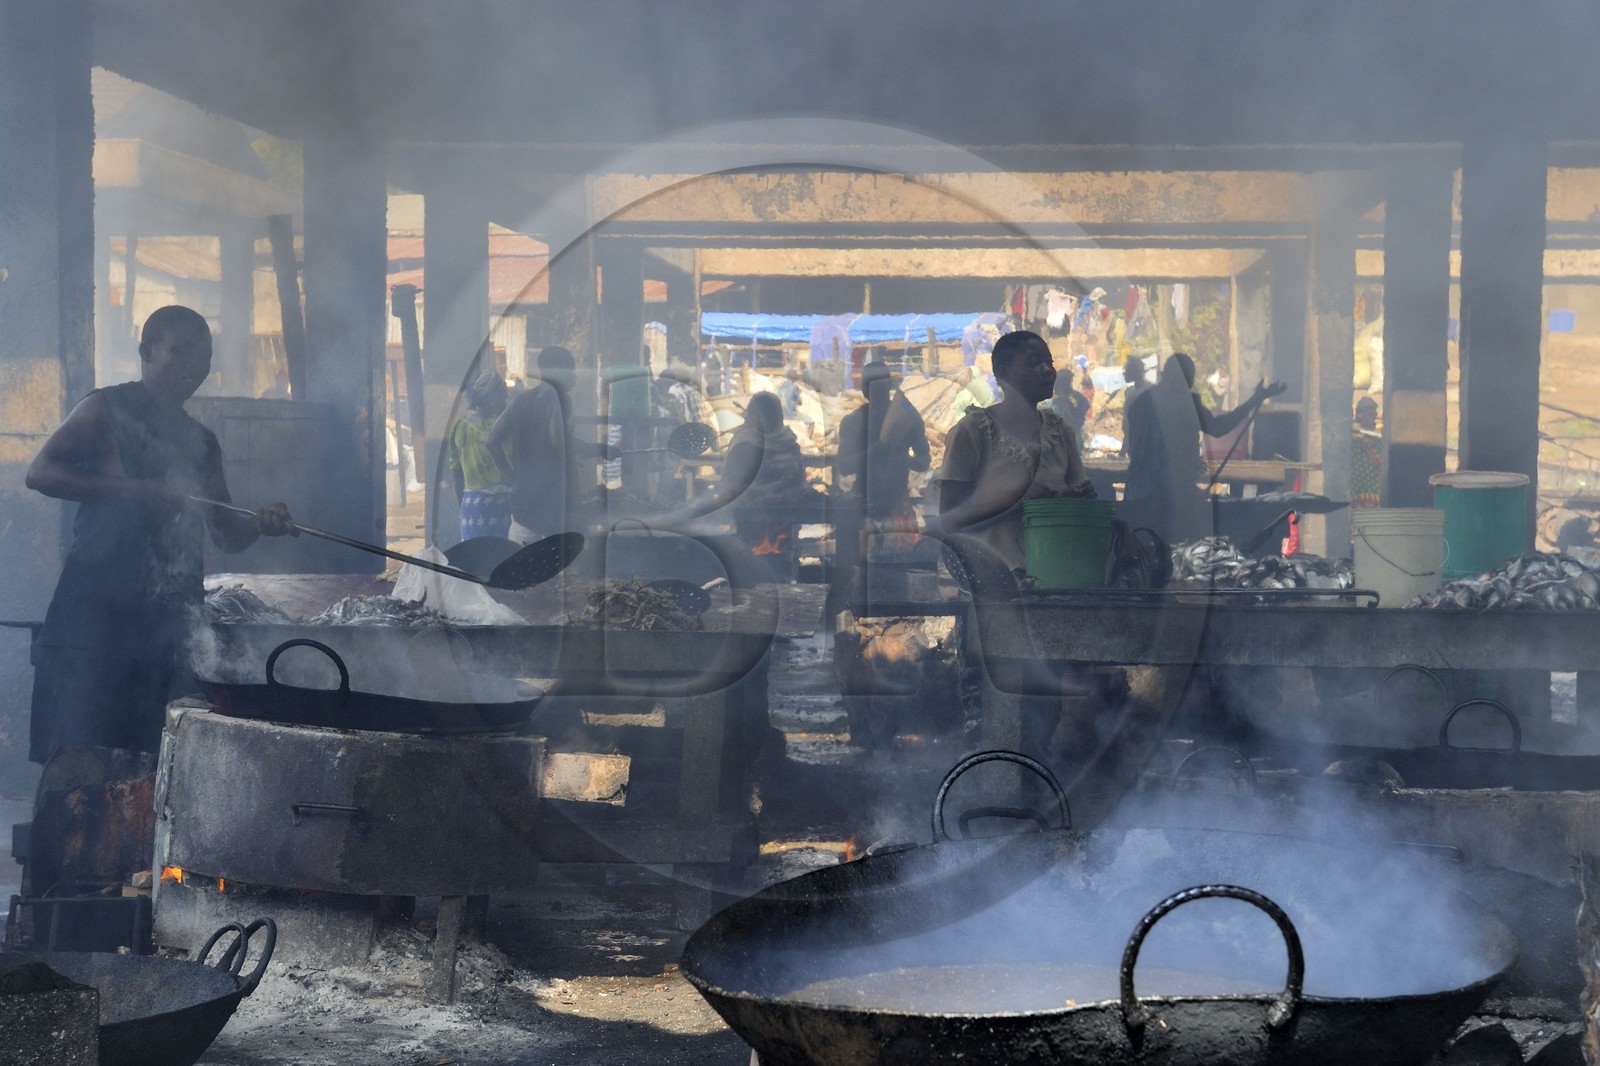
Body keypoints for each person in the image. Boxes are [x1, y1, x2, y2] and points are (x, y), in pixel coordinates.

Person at [25, 305, 295, 762]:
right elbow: (40, 473)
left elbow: (226, 535)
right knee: (83, 760)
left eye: (203, 358)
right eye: (180, 353)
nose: (193, 368)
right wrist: (137, 490)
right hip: (95, 620)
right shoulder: (106, 408)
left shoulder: (202, 442)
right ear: (147, 351)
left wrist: (260, 522)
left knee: (154, 761)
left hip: (166, 630)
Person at [937, 330, 1094, 574]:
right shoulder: (973, 430)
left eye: (1048, 362)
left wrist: (1073, 501)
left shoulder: (1059, 431)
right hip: (994, 580)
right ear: (1003, 373)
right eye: (1033, 363)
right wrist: (1016, 500)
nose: (1047, 370)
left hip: (1057, 571)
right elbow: (949, 520)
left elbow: (1079, 499)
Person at [1120, 352, 1285, 544]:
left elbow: (1140, 447)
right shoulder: (1186, 403)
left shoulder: (1140, 404)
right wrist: (1256, 399)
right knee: (1178, 551)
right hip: (1171, 497)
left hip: (1139, 493)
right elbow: (1218, 427)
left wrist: (1186, 458)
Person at [487, 346, 614, 545]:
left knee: (525, 571)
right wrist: (598, 449)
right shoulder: (560, 401)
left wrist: (514, 478)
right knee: (560, 573)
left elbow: (493, 441)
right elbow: (559, 442)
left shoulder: (521, 400)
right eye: (571, 372)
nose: (574, 377)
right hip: (555, 511)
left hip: (524, 509)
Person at [705, 392, 826, 551]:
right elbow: (733, 488)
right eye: (760, 414)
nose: (765, 419)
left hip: (787, 512)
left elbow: (797, 478)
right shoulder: (744, 445)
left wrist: (790, 493)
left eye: (770, 414)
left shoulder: (788, 441)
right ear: (752, 416)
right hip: (751, 516)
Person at [448, 370, 513, 540]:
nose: (506, 401)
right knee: (502, 559)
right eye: (503, 396)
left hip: (471, 506)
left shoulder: (460, 426)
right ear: (492, 400)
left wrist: (463, 508)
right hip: (500, 505)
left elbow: (456, 474)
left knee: (474, 560)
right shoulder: (501, 427)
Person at [1351, 395, 1382, 509]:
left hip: (1375, 487)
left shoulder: (1378, 435)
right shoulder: (1354, 435)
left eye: (1373, 414)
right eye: (1369, 414)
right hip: (1358, 486)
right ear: (1359, 415)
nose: (1372, 417)